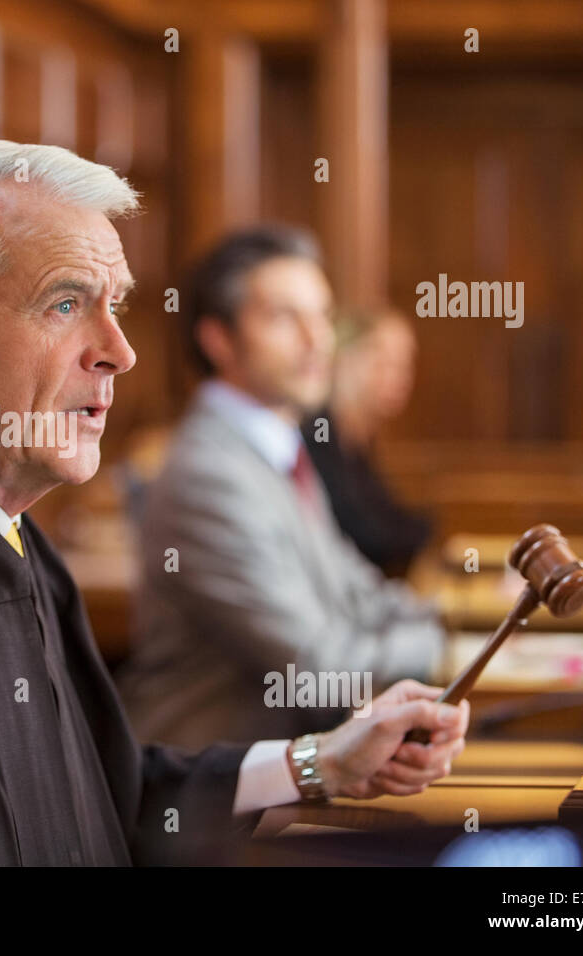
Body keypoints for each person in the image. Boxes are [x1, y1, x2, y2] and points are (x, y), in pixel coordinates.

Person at [0, 144, 468, 866]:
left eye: (116, 305)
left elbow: (108, 799)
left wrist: (323, 763)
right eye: (65, 303)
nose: (119, 352)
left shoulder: (7, 528)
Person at [116, 226, 445, 748]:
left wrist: (459, 619)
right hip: (222, 799)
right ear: (217, 338)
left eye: (322, 316)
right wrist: (442, 645)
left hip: (302, 770)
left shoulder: (275, 442)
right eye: (284, 318)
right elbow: (316, 673)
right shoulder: (210, 473)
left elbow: (357, 591)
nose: (318, 341)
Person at [302, 307, 432, 577]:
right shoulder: (318, 430)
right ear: (343, 360)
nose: (401, 378)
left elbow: (389, 517)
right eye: (384, 362)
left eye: (405, 365)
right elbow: (366, 535)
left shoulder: (357, 439)